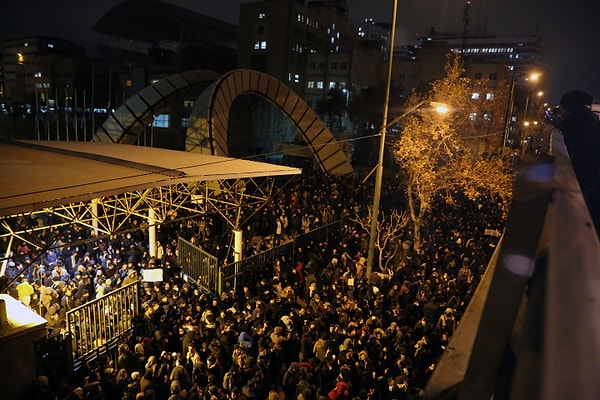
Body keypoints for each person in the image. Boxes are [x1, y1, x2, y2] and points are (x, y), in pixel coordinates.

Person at [553, 90, 600, 232]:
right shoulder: (588, 118)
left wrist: (561, 125)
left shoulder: (578, 122)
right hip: (588, 177)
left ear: (569, 107)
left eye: (562, 108)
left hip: (585, 178)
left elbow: (577, 143)